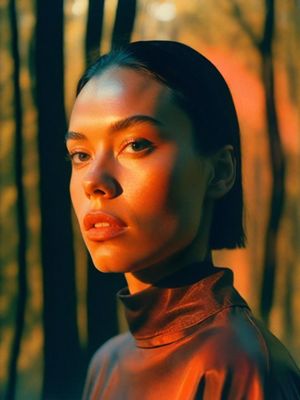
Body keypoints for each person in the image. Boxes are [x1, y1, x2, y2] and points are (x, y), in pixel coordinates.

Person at [66, 41, 300, 399]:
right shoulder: (105, 364)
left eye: (136, 145)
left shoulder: (241, 365)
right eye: (80, 154)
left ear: (219, 172)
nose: (93, 180)